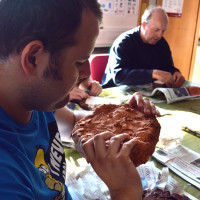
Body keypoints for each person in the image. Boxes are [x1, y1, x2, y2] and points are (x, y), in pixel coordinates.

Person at [0, 0, 160, 199]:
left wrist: (121, 118)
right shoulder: (5, 179)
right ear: (33, 59)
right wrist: (125, 192)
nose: (87, 73)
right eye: (79, 62)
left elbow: (75, 124)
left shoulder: (34, 101)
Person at [101, 6, 185, 89]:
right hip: (115, 90)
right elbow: (119, 77)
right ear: (144, 25)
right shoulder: (124, 42)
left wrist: (175, 73)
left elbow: (167, 67)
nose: (159, 35)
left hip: (145, 92)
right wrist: (152, 74)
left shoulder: (161, 43)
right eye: (156, 30)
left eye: (163, 31)